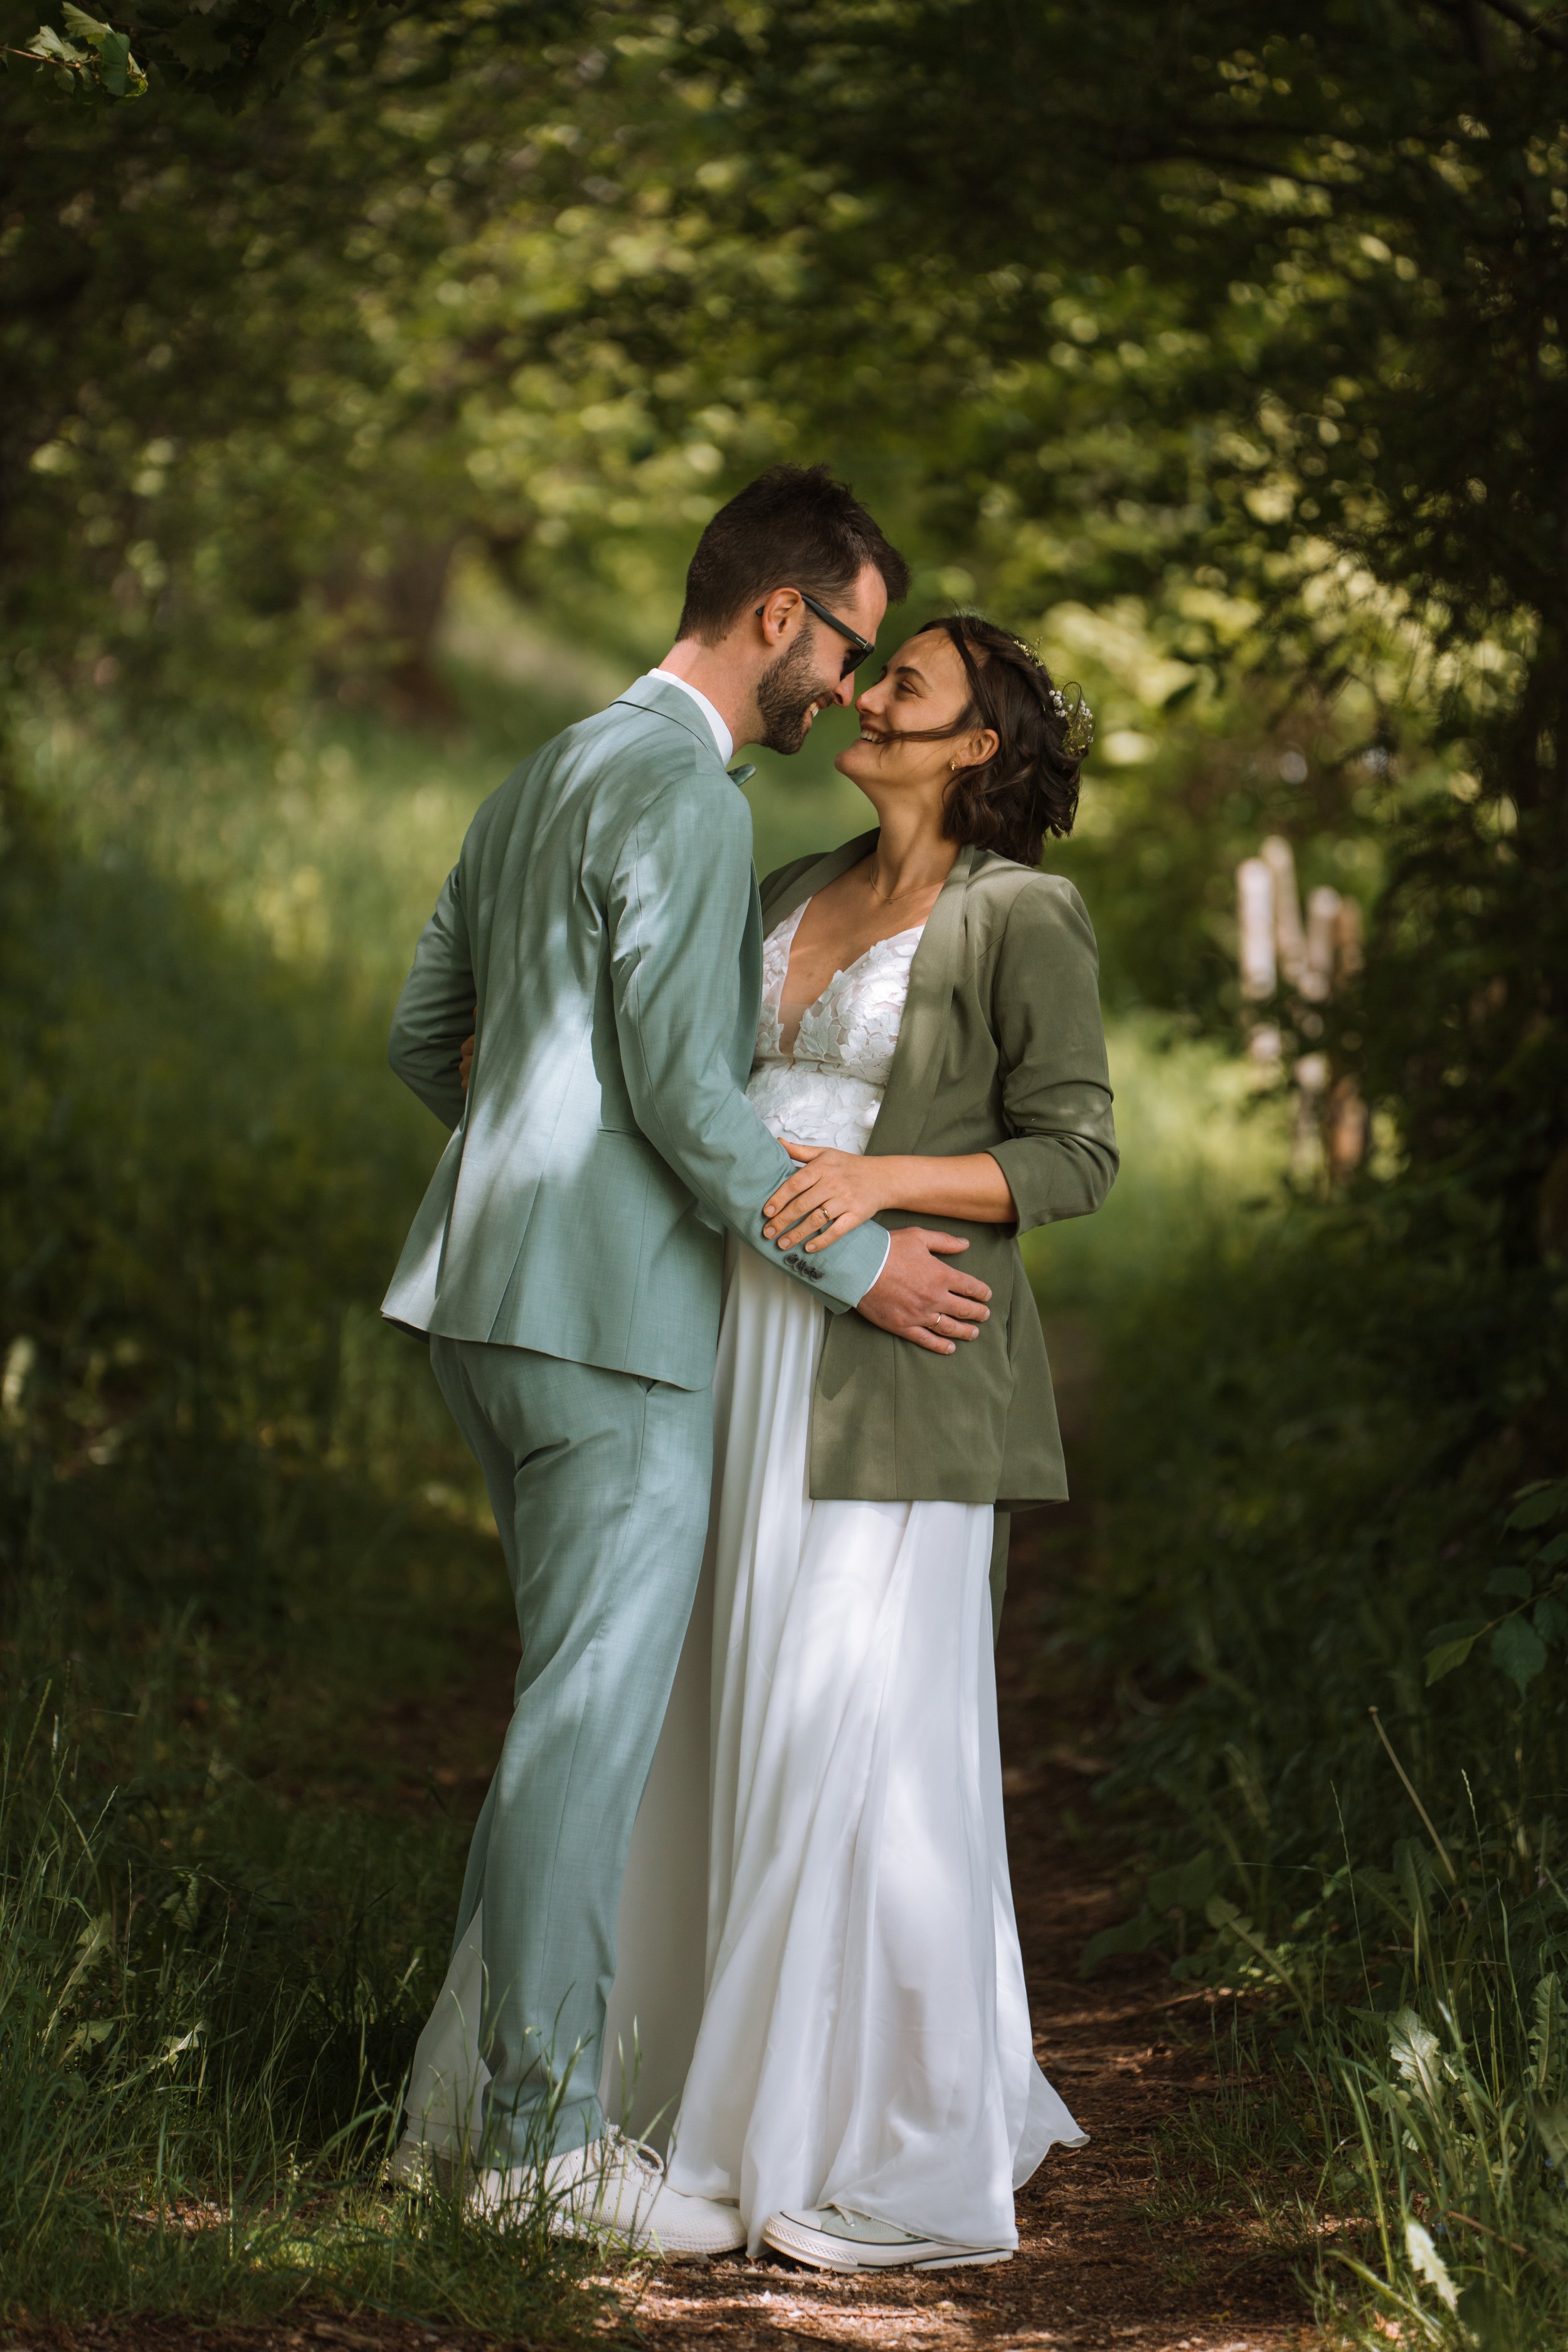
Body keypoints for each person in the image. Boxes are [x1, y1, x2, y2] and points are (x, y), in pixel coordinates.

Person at [403, 610, 1118, 2272]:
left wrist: (877, 1184)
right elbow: (675, 1073)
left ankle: (830, 2117)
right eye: (872, 668)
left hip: (887, 1357)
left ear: (977, 748)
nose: (866, 696)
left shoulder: (1022, 915)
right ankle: (635, 2098)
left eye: (906, 686)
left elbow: (1075, 1155)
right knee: (693, 1703)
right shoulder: (786, 881)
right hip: (711, 1335)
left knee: (843, 1711)